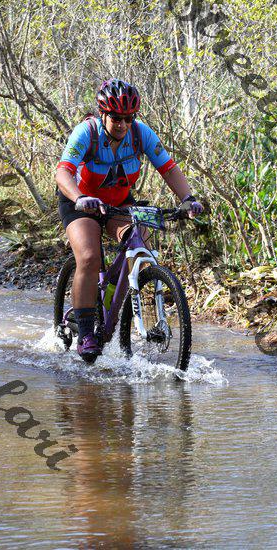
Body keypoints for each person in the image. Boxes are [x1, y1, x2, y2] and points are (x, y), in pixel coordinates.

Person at [55, 78, 204, 361]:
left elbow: (168, 168)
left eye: (128, 118)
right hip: (80, 201)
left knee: (138, 243)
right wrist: (79, 197)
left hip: (118, 203)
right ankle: (86, 333)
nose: (122, 124)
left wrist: (187, 199)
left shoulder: (140, 133)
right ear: (103, 114)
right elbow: (63, 172)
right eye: (116, 118)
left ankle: (111, 312)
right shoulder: (86, 132)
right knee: (89, 257)